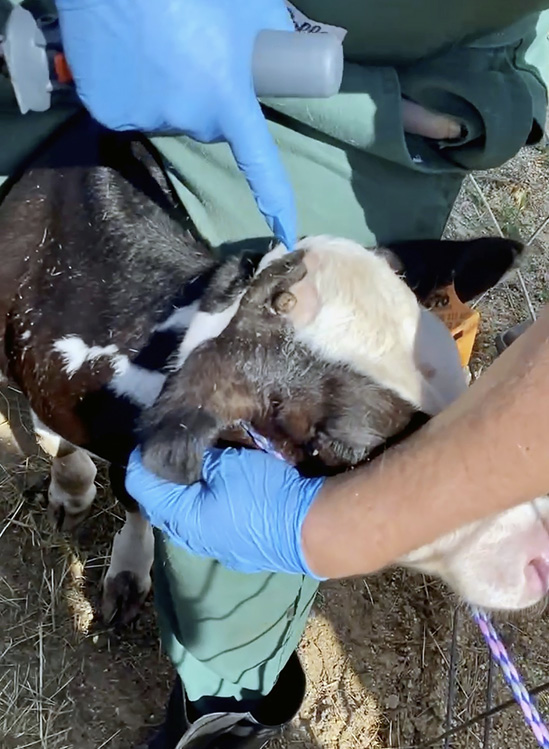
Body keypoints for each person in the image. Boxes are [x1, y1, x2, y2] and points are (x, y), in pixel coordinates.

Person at [3, 1, 549, 747]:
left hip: (391, 84)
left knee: (239, 554)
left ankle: (225, 693)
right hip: (107, 48)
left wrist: (466, 108)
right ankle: (82, 473)